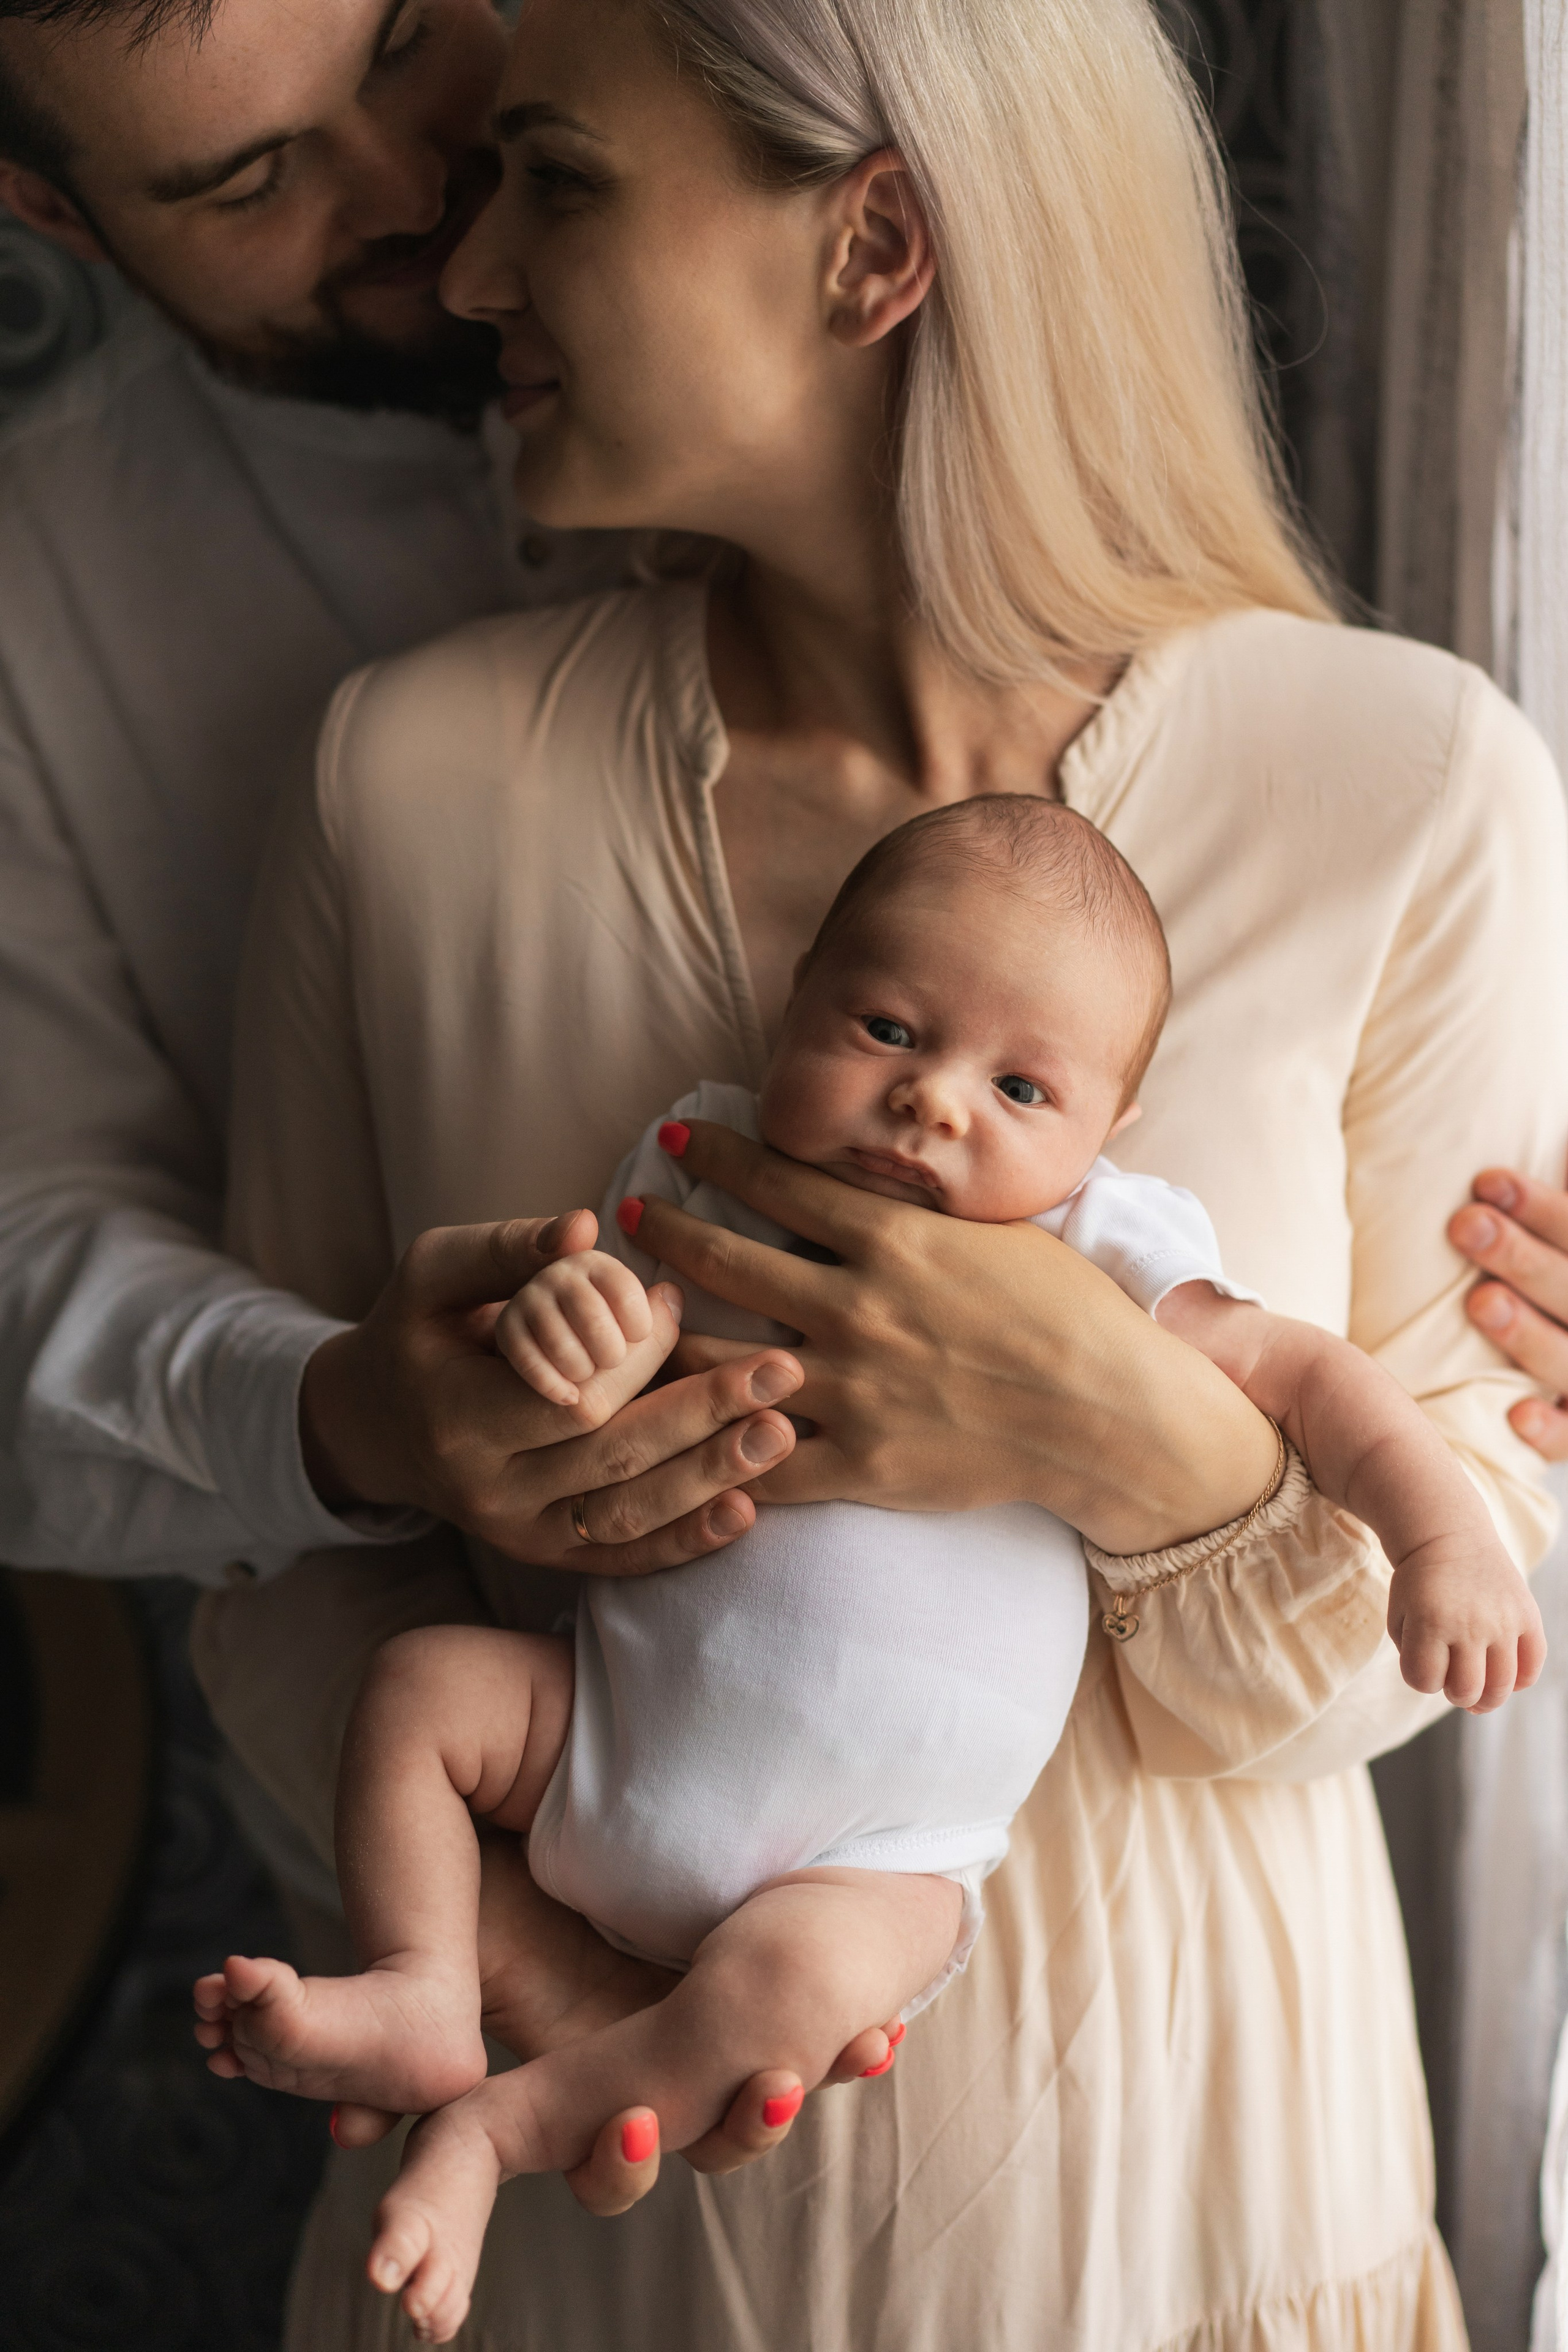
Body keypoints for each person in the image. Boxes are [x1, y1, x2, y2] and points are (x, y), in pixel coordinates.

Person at [199, 0, 1568, 2340]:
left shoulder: (1402, 783)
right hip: (574, 2266)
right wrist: (516, 1966)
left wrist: (1127, 1438)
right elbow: (272, 1554)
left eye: (561, 175)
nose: (472, 273)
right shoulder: (402, 794)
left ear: (876, 240)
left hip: (1188, 2237)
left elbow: (1453, 1606)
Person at [201, 796, 1544, 2347]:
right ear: (796, 1004)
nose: (929, 1104)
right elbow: (614, 1321)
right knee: (422, 1689)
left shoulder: (1099, 1248)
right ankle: (425, 1980)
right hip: (597, 1731)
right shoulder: (702, 1166)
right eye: (887, 1026)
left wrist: (1443, 1543)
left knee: (798, 1986)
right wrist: (578, 1329)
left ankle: (503, 2129)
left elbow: (1307, 1377)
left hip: (876, 1855)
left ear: (1104, 1131)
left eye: (1019, 1085)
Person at [0, 0, 864, 2203]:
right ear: (46, 210)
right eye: (244, 179)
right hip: (459, 2008)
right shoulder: (34, 595)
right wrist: (340, 1415)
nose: (417, 200)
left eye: (402, 46)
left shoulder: (884, 263)